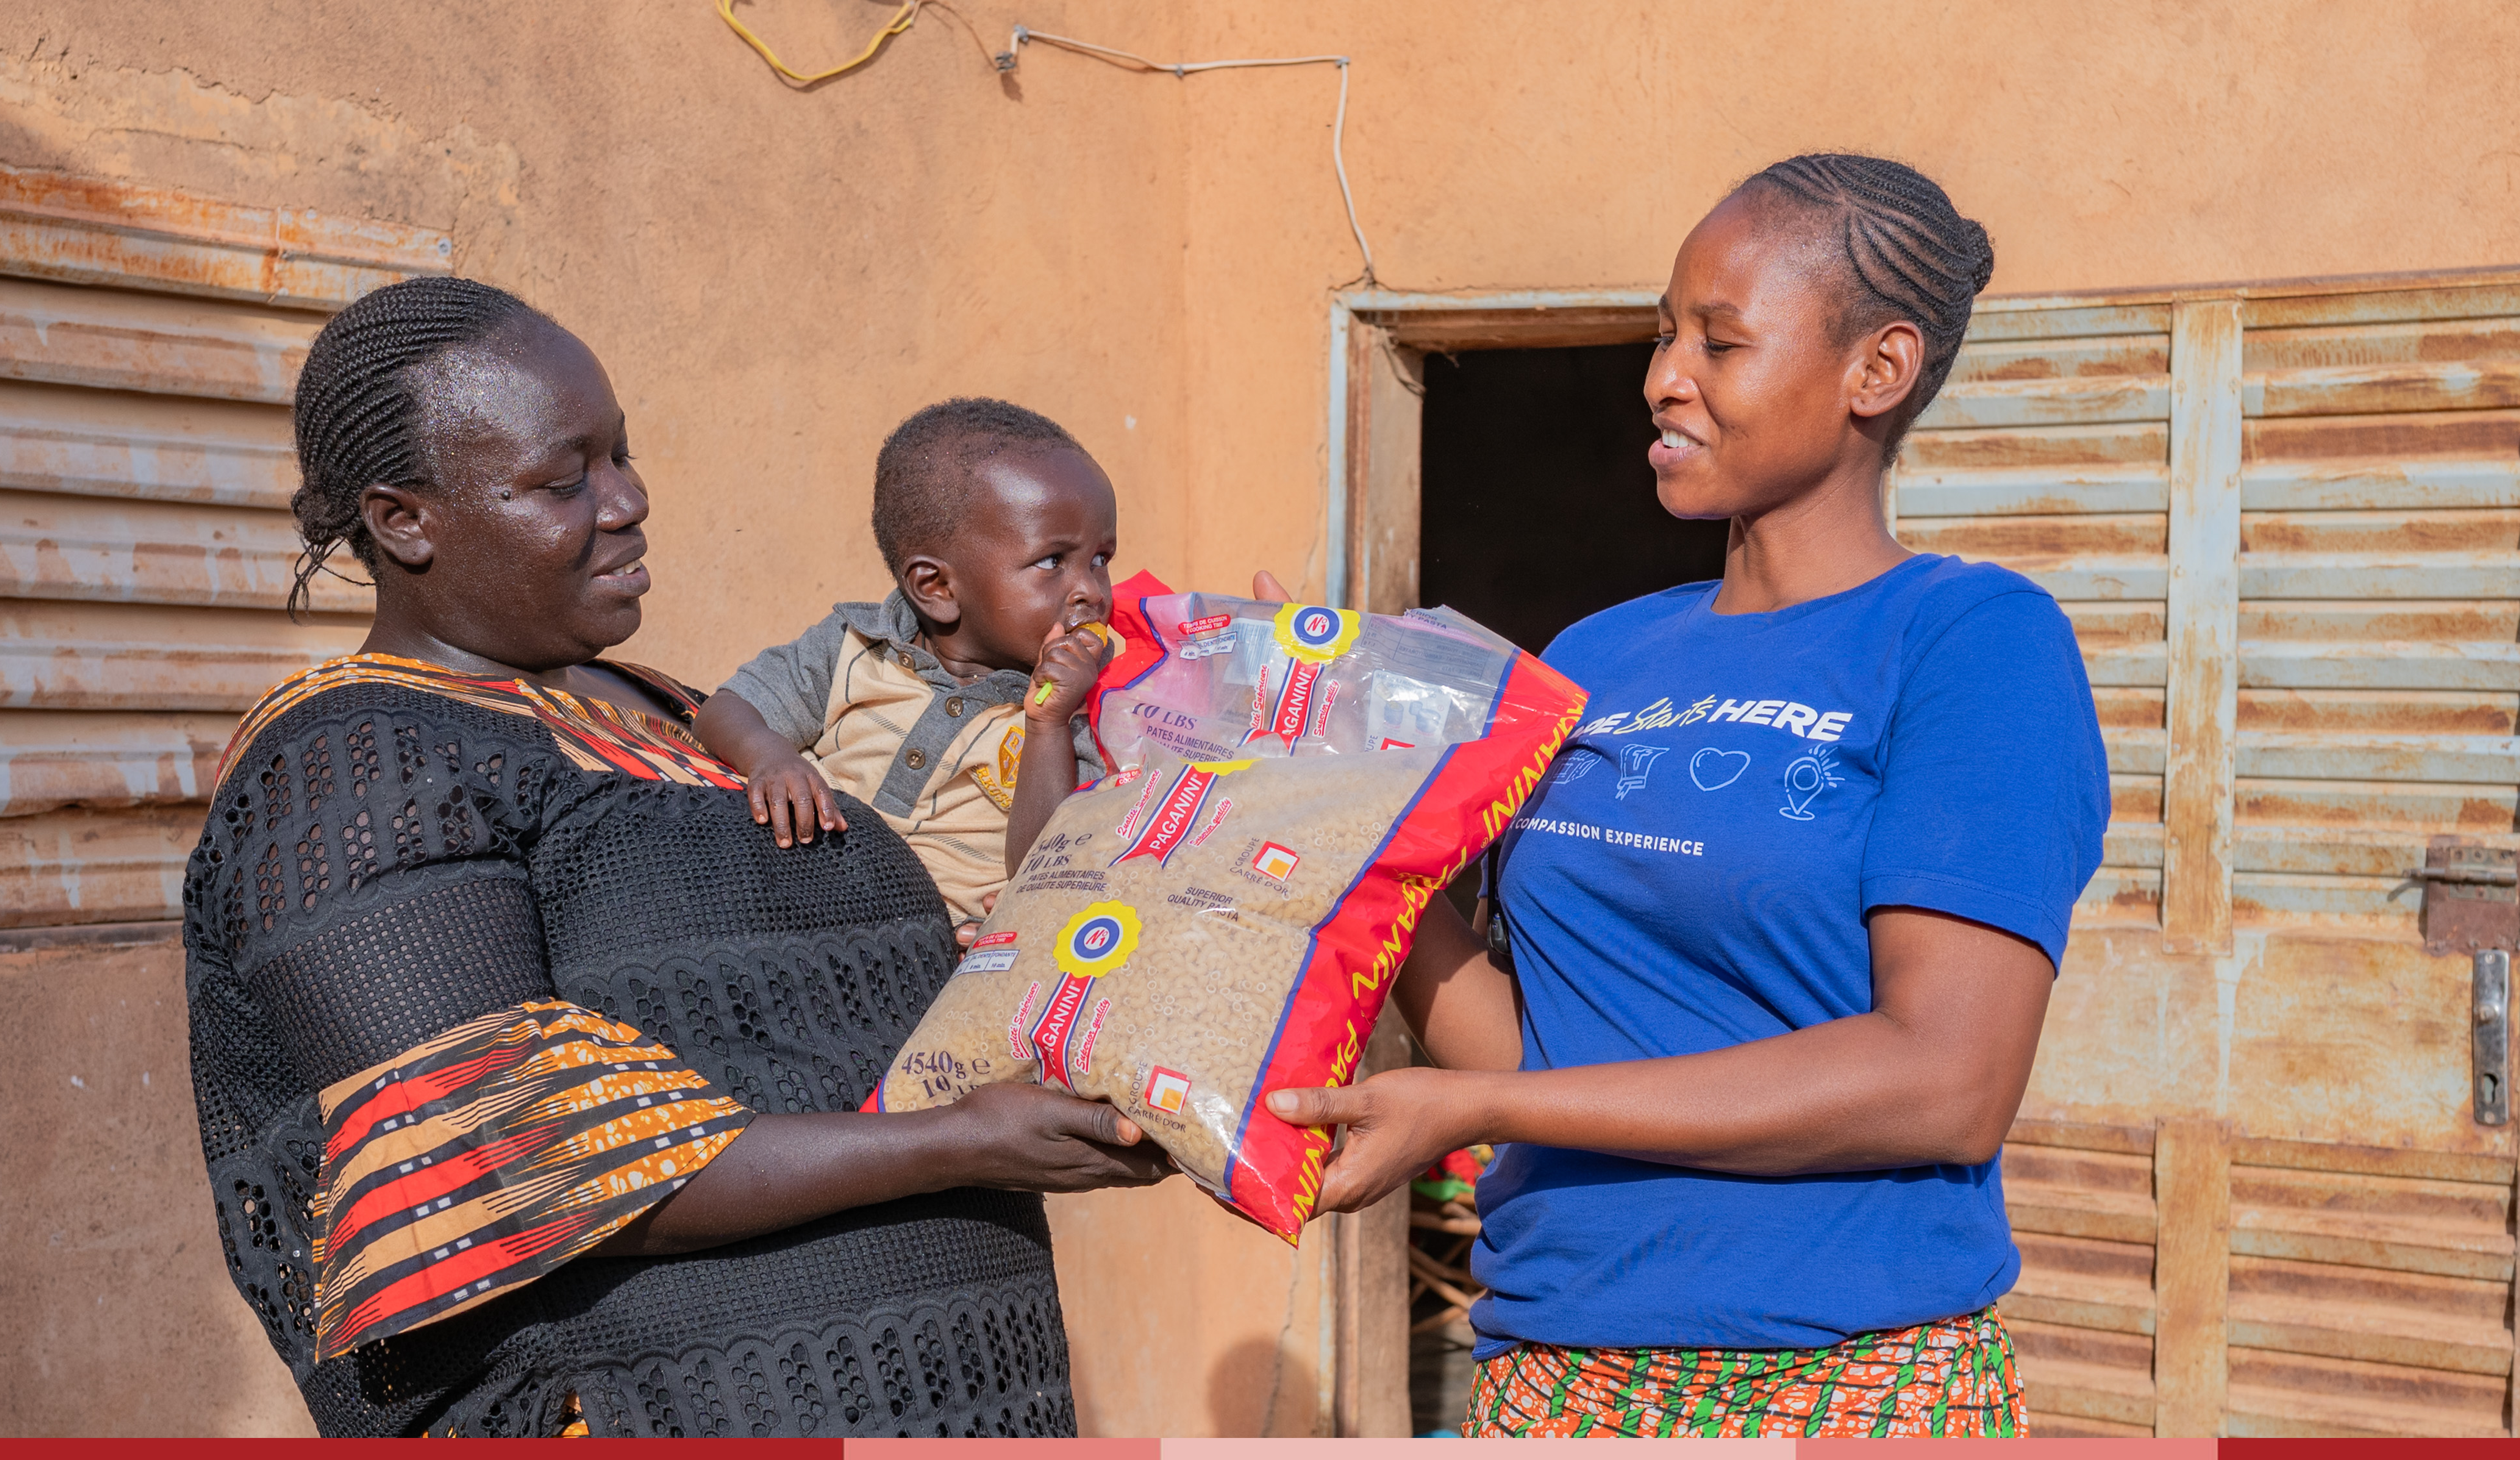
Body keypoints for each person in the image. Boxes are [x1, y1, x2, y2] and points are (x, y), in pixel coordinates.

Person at [184, 277, 1168, 1438]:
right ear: (406, 520)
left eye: (622, 456)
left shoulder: (671, 716)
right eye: (567, 479)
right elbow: (518, 1160)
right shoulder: (350, 766)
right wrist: (961, 1141)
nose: (630, 499)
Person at [1265, 154, 2109, 1437]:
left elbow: (1945, 1077)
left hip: (1838, 1379)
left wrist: (1480, 1111)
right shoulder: (1593, 658)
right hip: (1552, 1362)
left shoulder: (1967, 640)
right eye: (1666, 335)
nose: (1661, 375)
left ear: (1873, 372)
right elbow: (1532, 1046)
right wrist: (1354, 848)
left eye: (1719, 343)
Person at [691, 398, 1118, 928]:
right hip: (794, 909)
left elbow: (1045, 866)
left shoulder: (1083, 709)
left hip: (928, 950)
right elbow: (723, 711)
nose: (1091, 591)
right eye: (1053, 561)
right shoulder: (853, 647)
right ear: (936, 587)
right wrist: (772, 757)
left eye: (1101, 559)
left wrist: (1050, 721)